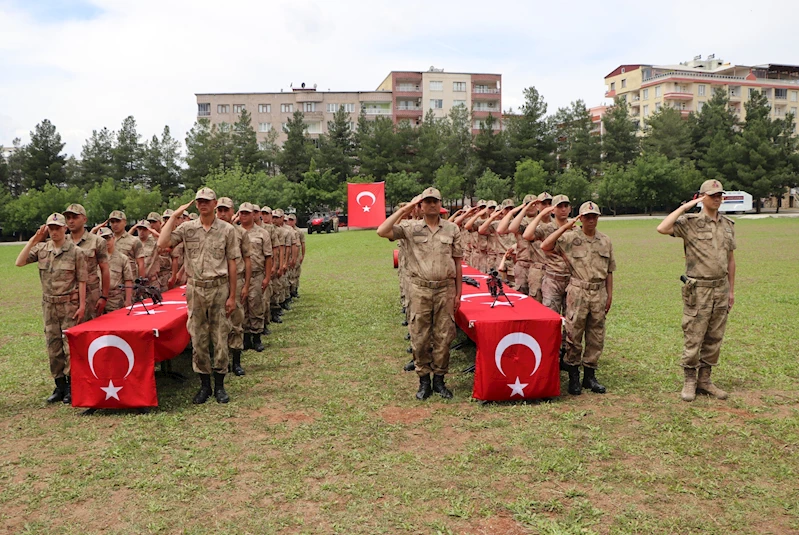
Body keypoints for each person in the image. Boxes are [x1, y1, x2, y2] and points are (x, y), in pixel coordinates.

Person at [377, 187, 463, 400]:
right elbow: (382, 231)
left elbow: (458, 263)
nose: (432, 205)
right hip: (420, 289)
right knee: (420, 336)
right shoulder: (409, 227)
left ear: (440, 204)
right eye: (427, 201)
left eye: (435, 201)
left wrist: (458, 294)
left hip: (445, 289)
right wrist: (406, 208)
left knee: (444, 336)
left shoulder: (452, 229)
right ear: (421, 205)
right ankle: (424, 380)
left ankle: (440, 380)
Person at [157, 188, 240, 404]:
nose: (203, 204)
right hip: (195, 289)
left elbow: (232, 263)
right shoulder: (187, 229)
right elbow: (162, 244)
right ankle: (204, 385)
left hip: (219, 287)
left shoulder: (227, 230)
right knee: (198, 337)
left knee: (220, 336)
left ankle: (220, 385)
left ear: (214, 204)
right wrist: (174, 216)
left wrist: (233, 296)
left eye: (207, 201)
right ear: (196, 205)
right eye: (200, 201)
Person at [656, 179, 735, 402]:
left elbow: (731, 260)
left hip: (720, 287)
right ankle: (690, 380)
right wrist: (685, 207)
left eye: (720, 195)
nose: (718, 198)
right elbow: (662, 228)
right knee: (694, 335)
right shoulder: (690, 223)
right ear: (702, 197)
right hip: (698, 289)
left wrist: (731, 291)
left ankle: (705, 380)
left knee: (714, 337)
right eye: (713, 195)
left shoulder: (727, 225)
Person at [542, 201, 615, 395]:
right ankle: (573, 375)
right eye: (587, 217)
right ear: (580, 218)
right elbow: (545, 245)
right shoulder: (570, 238)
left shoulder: (605, 240)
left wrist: (609, 295)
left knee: (596, 335)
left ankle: (589, 376)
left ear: (598, 218)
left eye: (594, 216)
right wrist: (565, 226)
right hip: (578, 290)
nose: (591, 220)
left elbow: (609, 271)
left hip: (599, 291)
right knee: (574, 334)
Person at [15, 213, 88, 403]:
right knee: (53, 346)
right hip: (49, 305)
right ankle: (59, 386)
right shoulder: (42, 249)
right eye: (51, 228)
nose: (54, 231)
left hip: (69, 305)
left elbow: (82, 281)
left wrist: (81, 306)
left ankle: (72, 386)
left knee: (70, 347)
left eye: (57, 228)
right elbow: (19, 262)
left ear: (65, 228)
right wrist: (34, 239)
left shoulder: (75, 252)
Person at [215, 197, 251, 375]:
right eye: (219, 210)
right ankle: (220, 361)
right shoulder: (212, 232)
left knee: (236, 321)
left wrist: (246, 286)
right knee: (218, 325)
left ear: (232, 212)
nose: (222, 214)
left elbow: (247, 259)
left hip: (236, 282)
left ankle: (236, 362)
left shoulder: (240, 233)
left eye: (225, 210)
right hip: (217, 283)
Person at [64, 203, 110, 320]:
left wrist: (104, 296)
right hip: (68, 296)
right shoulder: (63, 242)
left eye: (75, 217)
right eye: (68, 218)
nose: (71, 221)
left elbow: (104, 269)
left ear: (84, 219)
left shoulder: (97, 241)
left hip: (90, 296)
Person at [240, 202, 273, 354]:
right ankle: (246, 338)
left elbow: (268, 257)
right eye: (242, 213)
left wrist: (267, 277)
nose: (245, 215)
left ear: (253, 215)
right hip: (240, 276)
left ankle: (257, 338)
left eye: (248, 213)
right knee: (242, 307)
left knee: (256, 305)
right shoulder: (234, 232)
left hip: (256, 274)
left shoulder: (262, 233)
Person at [498, 195, 540, 295]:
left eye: (534, 204)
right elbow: (501, 230)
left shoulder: (543, 221)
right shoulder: (519, 222)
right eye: (528, 204)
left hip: (539, 266)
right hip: (523, 265)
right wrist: (513, 212)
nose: (531, 207)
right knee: (521, 296)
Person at [98, 227, 134, 313]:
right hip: (98, 298)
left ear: (113, 238)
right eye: (102, 239)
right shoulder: (95, 258)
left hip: (115, 299)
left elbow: (128, 280)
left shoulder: (122, 258)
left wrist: (128, 300)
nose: (105, 242)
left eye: (108, 238)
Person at [104, 210, 145, 279]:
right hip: (112, 281)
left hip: (129, 282)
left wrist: (141, 284)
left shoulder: (134, 241)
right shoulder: (105, 241)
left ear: (125, 222)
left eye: (118, 221)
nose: (115, 224)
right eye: (112, 222)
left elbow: (141, 264)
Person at [147, 212, 172, 292]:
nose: (152, 224)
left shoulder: (166, 236)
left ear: (160, 223)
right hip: (152, 276)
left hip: (165, 274)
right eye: (150, 222)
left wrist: (158, 235)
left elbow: (171, 250)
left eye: (154, 222)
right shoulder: (147, 239)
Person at [286, 213, 304, 299]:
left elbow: (302, 244)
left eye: (292, 220)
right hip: (288, 255)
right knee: (290, 274)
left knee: (296, 273)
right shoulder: (287, 231)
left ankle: (295, 289)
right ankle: (290, 291)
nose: (290, 222)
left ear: (295, 221)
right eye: (289, 220)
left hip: (296, 254)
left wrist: (302, 255)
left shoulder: (298, 231)